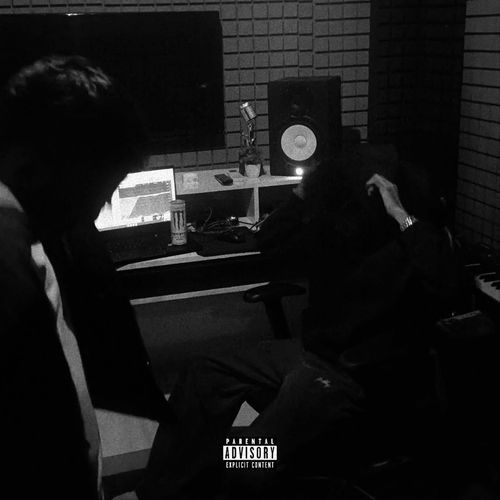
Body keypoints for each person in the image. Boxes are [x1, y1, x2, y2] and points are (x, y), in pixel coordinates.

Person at [118, 143, 459, 500]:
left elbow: (449, 284)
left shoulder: (413, 239)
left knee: (248, 457)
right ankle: (156, 491)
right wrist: (302, 192)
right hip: (311, 353)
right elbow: (268, 239)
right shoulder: (339, 231)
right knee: (202, 374)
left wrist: (400, 213)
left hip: (354, 375)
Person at [0, 55, 171, 500]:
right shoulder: (8, 254)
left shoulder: (29, 233)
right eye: (95, 190)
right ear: (30, 165)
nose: (95, 211)